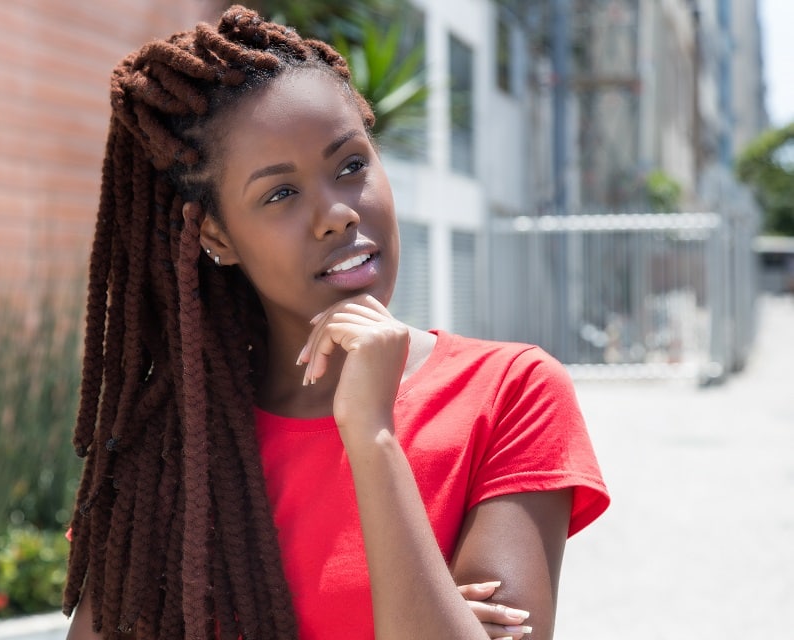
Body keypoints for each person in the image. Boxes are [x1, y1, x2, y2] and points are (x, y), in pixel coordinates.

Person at [63, 6, 609, 640]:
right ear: (217, 234)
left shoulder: (511, 392)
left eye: (351, 164)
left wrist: (373, 438)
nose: (338, 214)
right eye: (280, 194)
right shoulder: (173, 448)